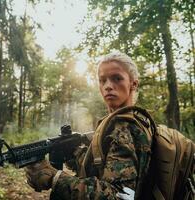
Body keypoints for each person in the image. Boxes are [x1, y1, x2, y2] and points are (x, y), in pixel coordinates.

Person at [25, 51, 154, 200]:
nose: (108, 86)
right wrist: (75, 153)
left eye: (117, 78)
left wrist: (54, 178)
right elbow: (106, 169)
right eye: (102, 80)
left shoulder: (124, 128)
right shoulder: (132, 120)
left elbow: (118, 196)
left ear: (133, 84)